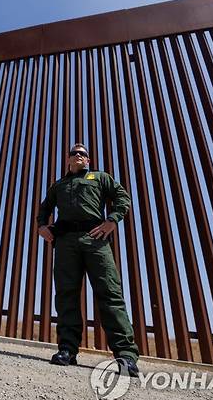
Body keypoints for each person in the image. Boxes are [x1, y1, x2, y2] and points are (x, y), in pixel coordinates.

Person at [36, 143, 140, 377]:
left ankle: (125, 355)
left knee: (109, 292)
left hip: (95, 239)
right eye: (74, 153)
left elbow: (122, 196)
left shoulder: (100, 178)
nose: (78, 156)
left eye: (83, 154)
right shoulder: (58, 185)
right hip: (65, 243)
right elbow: (44, 209)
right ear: (68, 159)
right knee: (66, 294)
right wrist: (42, 226)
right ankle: (67, 350)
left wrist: (112, 219)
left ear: (88, 160)